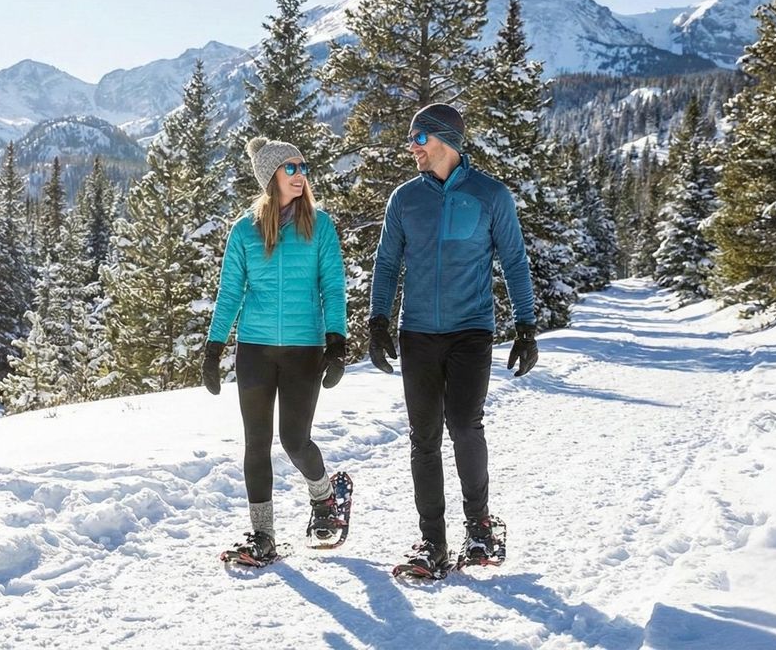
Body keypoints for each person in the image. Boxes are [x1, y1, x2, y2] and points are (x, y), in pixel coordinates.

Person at [368, 103, 539, 576]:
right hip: (417, 331)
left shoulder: (490, 196)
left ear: (445, 140)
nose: (411, 148)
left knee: (464, 424)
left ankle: (479, 525)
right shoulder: (404, 199)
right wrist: (378, 320)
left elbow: (515, 262)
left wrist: (526, 327)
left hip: (470, 330)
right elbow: (387, 263)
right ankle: (432, 543)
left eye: (418, 139)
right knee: (423, 438)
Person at [203, 137, 348, 566]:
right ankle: (262, 534)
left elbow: (333, 287)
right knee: (256, 443)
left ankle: (324, 497)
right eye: (290, 168)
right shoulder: (244, 230)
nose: (300, 174)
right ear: (271, 177)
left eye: (303, 166)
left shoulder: (320, 226)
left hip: (305, 347)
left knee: (295, 440)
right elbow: (229, 292)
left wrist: (336, 341)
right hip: (255, 349)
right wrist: (213, 347)